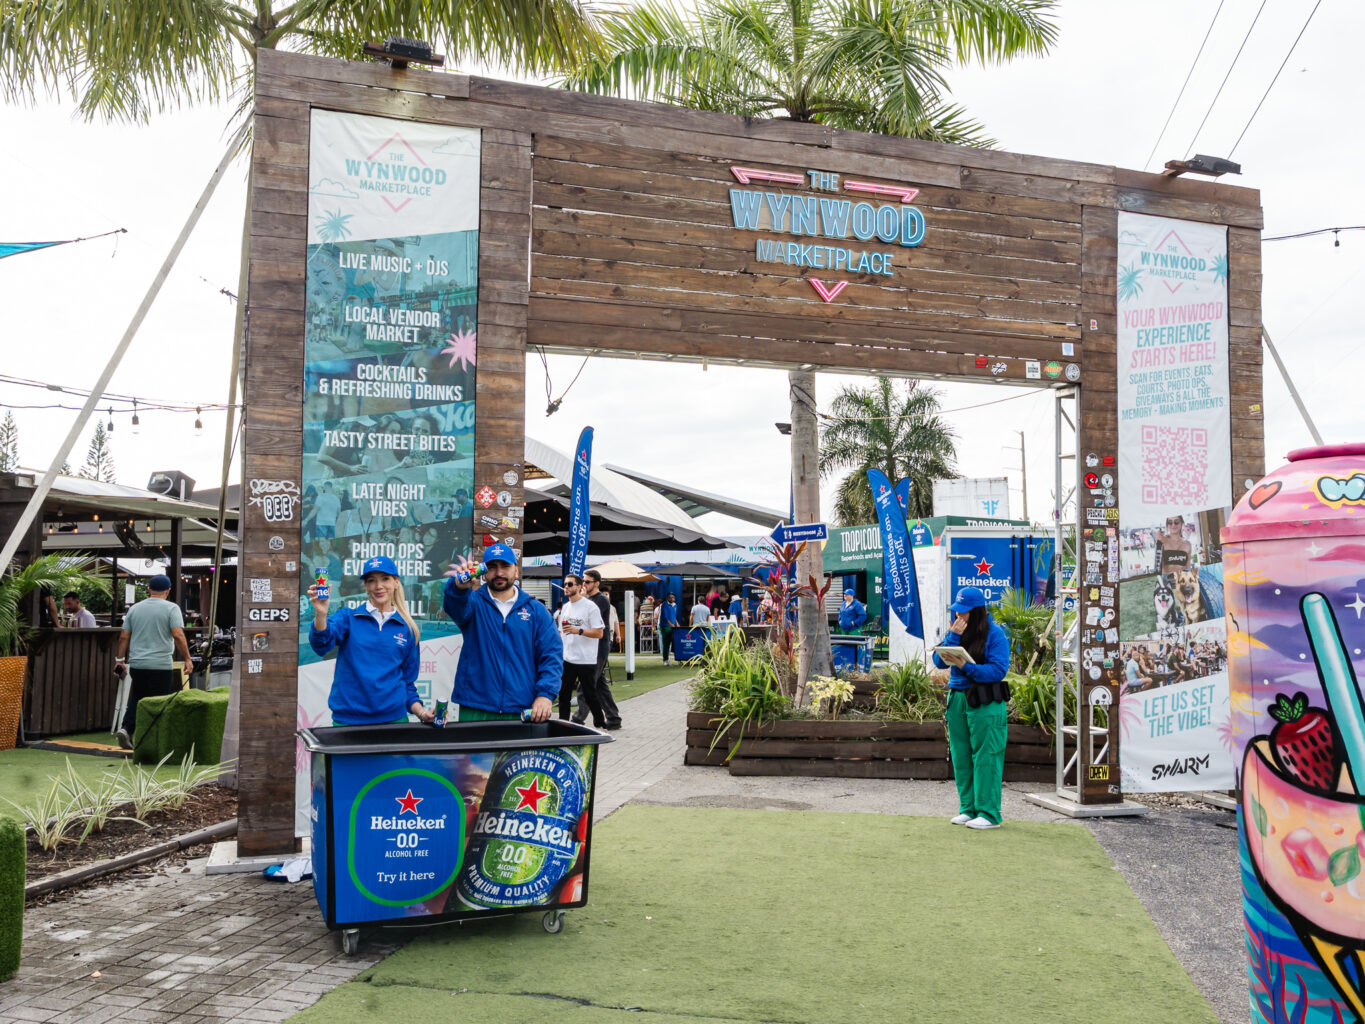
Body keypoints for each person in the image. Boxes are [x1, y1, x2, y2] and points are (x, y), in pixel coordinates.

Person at [308, 555, 432, 726]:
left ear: (396, 582)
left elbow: (407, 684)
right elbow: (321, 645)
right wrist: (321, 614)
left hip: (394, 722)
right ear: (366, 587)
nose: (378, 586)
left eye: (385, 579)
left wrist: (422, 712)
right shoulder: (347, 618)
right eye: (371, 580)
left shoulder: (408, 629)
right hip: (348, 722)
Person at [444, 543, 560, 722]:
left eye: (505, 566)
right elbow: (455, 607)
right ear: (484, 572)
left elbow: (551, 655)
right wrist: (458, 588)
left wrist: (545, 695)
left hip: (521, 708)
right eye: (492, 567)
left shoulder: (536, 611)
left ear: (516, 570)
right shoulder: (472, 603)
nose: (499, 573)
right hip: (475, 707)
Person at [932, 586, 1012, 830]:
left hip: (984, 701)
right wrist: (953, 638)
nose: (959, 617)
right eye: (957, 612)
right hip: (957, 697)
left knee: (986, 755)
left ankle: (989, 813)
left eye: (964, 613)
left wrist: (967, 667)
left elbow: (999, 670)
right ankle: (968, 809)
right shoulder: (957, 631)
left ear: (977, 612)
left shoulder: (995, 634)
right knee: (961, 755)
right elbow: (938, 660)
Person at [114, 575, 192, 749]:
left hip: (137, 664)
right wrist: (187, 658)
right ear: (168, 590)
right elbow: (178, 635)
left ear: (149, 589)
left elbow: (124, 637)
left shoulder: (134, 609)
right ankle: (155, 738)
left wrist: (119, 660)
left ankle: (127, 728)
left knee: (138, 697)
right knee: (160, 701)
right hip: (160, 664)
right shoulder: (172, 608)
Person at [553, 575, 606, 725]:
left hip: (585, 659)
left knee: (589, 695)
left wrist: (579, 631)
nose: (567, 587)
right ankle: (563, 725)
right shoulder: (566, 607)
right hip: (568, 658)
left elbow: (599, 633)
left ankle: (600, 723)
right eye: (565, 584)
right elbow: (562, 632)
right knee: (563, 694)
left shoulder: (590, 607)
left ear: (578, 586)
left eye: (570, 584)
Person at [575, 569, 622, 729]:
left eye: (587, 582)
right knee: (600, 686)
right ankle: (614, 718)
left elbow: (587, 616)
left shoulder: (601, 600)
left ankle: (577, 719)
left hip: (598, 648)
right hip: (591, 648)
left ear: (596, 584)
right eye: (583, 581)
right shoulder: (588, 599)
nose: (584, 584)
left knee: (586, 684)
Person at [658, 593, 679, 665]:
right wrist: (671, 624)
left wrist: (677, 623)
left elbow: (674, 616)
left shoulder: (675, 605)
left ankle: (678, 659)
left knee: (675, 642)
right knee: (666, 643)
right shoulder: (664, 605)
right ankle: (665, 660)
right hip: (665, 627)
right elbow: (665, 617)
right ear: (668, 598)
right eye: (671, 598)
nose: (672, 599)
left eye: (673, 597)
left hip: (673, 627)